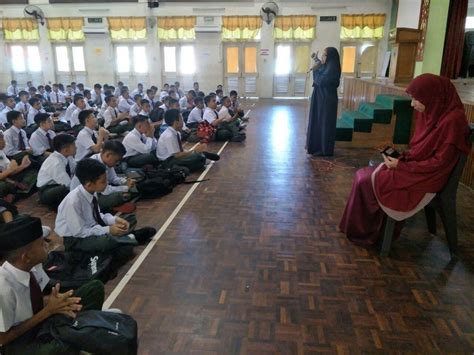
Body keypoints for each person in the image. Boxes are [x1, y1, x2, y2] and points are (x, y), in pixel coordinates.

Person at [339, 74, 471, 246]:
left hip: (429, 176)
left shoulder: (453, 121)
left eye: (416, 99)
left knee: (366, 181)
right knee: (362, 176)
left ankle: (369, 233)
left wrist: (401, 165)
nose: (412, 104)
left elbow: (439, 163)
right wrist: (402, 157)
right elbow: (420, 150)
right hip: (418, 168)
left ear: (432, 97)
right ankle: (360, 229)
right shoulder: (434, 111)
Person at [0, 215, 106, 354]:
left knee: (94, 288)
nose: (46, 244)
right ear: (26, 257)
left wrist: (57, 301)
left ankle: (74, 335)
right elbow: (3, 338)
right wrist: (48, 311)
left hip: (40, 322)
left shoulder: (33, 266)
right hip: (17, 343)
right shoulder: (3, 288)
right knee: (59, 348)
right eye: (40, 243)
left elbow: (34, 300)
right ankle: (74, 337)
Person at [55, 158, 155, 266]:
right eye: (103, 182)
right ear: (89, 184)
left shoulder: (91, 192)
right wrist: (108, 230)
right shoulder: (73, 202)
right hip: (76, 240)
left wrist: (114, 219)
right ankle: (130, 237)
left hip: (94, 228)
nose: (106, 183)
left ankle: (125, 238)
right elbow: (80, 232)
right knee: (106, 242)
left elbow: (98, 215)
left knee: (130, 219)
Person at [70, 140, 136, 212]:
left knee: (127, 192)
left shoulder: (106, 162)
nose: (116, 163)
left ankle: (110, 207)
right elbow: (105, 190)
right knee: (123, 195)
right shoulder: (94, 165)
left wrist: (126, 181)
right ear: (108, 155)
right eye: (116, 160)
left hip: (97, 190)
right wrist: (126, 188)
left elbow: (113, 179)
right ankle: (108, 208)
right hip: (86, 197)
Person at [306, 48, 341, 156]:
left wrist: (315, 69)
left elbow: (321, 80)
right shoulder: (327, 66)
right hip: (320, 99)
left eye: (325, 55)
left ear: (330, 57)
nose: (323, 57)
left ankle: (324, 149)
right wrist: (316, 60)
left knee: (324, 124)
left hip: (326, 102)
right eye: (323, 55)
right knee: (317, 122)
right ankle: (316, 146)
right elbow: (321, 68)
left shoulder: (333, 68)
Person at [37, 134, 76, 211]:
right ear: (66, 150)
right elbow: (67, 184)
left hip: (58, 184)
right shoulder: (56, 162)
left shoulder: (68, 156)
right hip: (46, 190)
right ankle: (57, 206)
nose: (76, 147)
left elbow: (76, 169)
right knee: (65, 190)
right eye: (74, 145)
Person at [0, 131, 36, 199]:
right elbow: (9, 171)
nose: (4, 142)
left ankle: (17, 192)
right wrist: (11, 170)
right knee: (3, 185)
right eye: (1, 139)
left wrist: (22, 166)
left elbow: (10, 171)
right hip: (3, 181)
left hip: (7, 178)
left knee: (33, 172)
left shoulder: (1, 152)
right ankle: (16, 193)